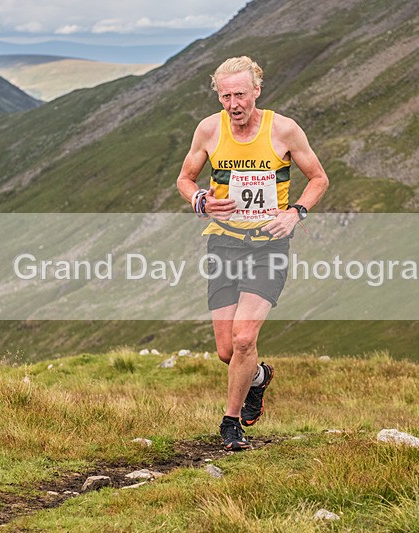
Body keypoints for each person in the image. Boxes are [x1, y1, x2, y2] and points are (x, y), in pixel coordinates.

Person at [176, 56, 329, 450]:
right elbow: (185, 179)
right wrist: (201, 201)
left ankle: (231, 424)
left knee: (244, 339)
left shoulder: (284, 130)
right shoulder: (209, 130)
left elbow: (318, 178)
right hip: (224, 243)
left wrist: (295, 214)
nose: (233, 104)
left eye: (240, 94)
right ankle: (258, 378)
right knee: (227, 351)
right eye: (225, 96)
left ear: (256, 91)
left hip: (269, 246)